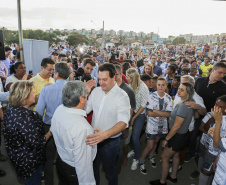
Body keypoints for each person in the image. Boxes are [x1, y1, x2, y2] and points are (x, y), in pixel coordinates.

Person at [85, 63, 130, 185]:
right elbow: (85, 111)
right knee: (93, 169)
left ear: (114, 77)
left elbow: (123, 123)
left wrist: (105, 135)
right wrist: (85, 93)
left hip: (110, 142)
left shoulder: (122, 96)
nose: (101, 83)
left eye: (105, 79)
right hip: (94, 139)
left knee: (110, 171)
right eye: (99, 79)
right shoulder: (95, 92)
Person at [3, 81, 52, 185]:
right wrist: (49, 133)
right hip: (30, 162)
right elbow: (37, 143)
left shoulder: (10, 110)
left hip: (17, 156)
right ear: (24, 98)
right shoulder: (26, 118)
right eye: (33, 92)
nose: (35, 94)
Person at [51, 81, 97, 185]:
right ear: (81, 99)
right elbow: (83, 164)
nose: (87, 98)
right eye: (86, 96)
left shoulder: (59, 109)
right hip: (74, 170)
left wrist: (85, 92)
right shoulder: (83, 128)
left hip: (61, 161)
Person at [150, 82, 195, 185]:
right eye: (179, 88)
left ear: (188, 92)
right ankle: (173, 177)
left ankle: (162, 182)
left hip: (177, 136)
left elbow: (176, 126)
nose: (178, 90)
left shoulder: (184, 106)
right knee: (176, 155)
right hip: (182, 136)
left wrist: (166, 139)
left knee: (164, 157)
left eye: (182, 90)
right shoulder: (187, 102)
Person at [36, 62, 71, 185]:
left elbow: (39, 112)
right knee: (65, 158)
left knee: (48, 159)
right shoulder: (72, 89)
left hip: (48, 127)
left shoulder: (46, 90)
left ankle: (49, 182)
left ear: (56, 74)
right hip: (67, 128)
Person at [139, 77, 173, 175]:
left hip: (162, 126)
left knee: (156, 142)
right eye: (159, 85)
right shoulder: (150, 96)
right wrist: (162, 112)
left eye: (163, 85)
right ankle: (141, 161)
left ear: (166, 86)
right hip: (151, 126)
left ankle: (151, 157)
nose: (161, 87)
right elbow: (149, 113)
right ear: (156, 85)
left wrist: (156, 111)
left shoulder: (168, 98)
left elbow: (169, 114)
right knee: (150, 146)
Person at [126, 68, 149, 171]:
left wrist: (133, 118)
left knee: (135, 137)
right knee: (129, 136)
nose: (126, 78)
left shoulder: (143, 87)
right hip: (131, 112)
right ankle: (135, 150)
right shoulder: (129, 85)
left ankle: (136, 159)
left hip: (140, 114)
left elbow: (143, 105)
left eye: (128, 77)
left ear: (133, 78)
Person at [114, 64, 136, 169]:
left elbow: (131, 109)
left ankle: (123, 160)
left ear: (121, 75)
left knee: (123, 145)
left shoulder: (128, 90)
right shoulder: (110, 87)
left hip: (122, 124)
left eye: (116, 74)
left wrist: (126, 125)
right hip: (112, 122)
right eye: (112, 74)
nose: (114, 76)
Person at [212, 97, 226, 185]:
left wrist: (217, 121)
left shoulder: (220, 119)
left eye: (222, 107)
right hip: (221, 163)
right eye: (216, 105)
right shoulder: (223, 119)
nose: (217, 108)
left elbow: (217, 144)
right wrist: (217, 159)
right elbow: (222, 146)